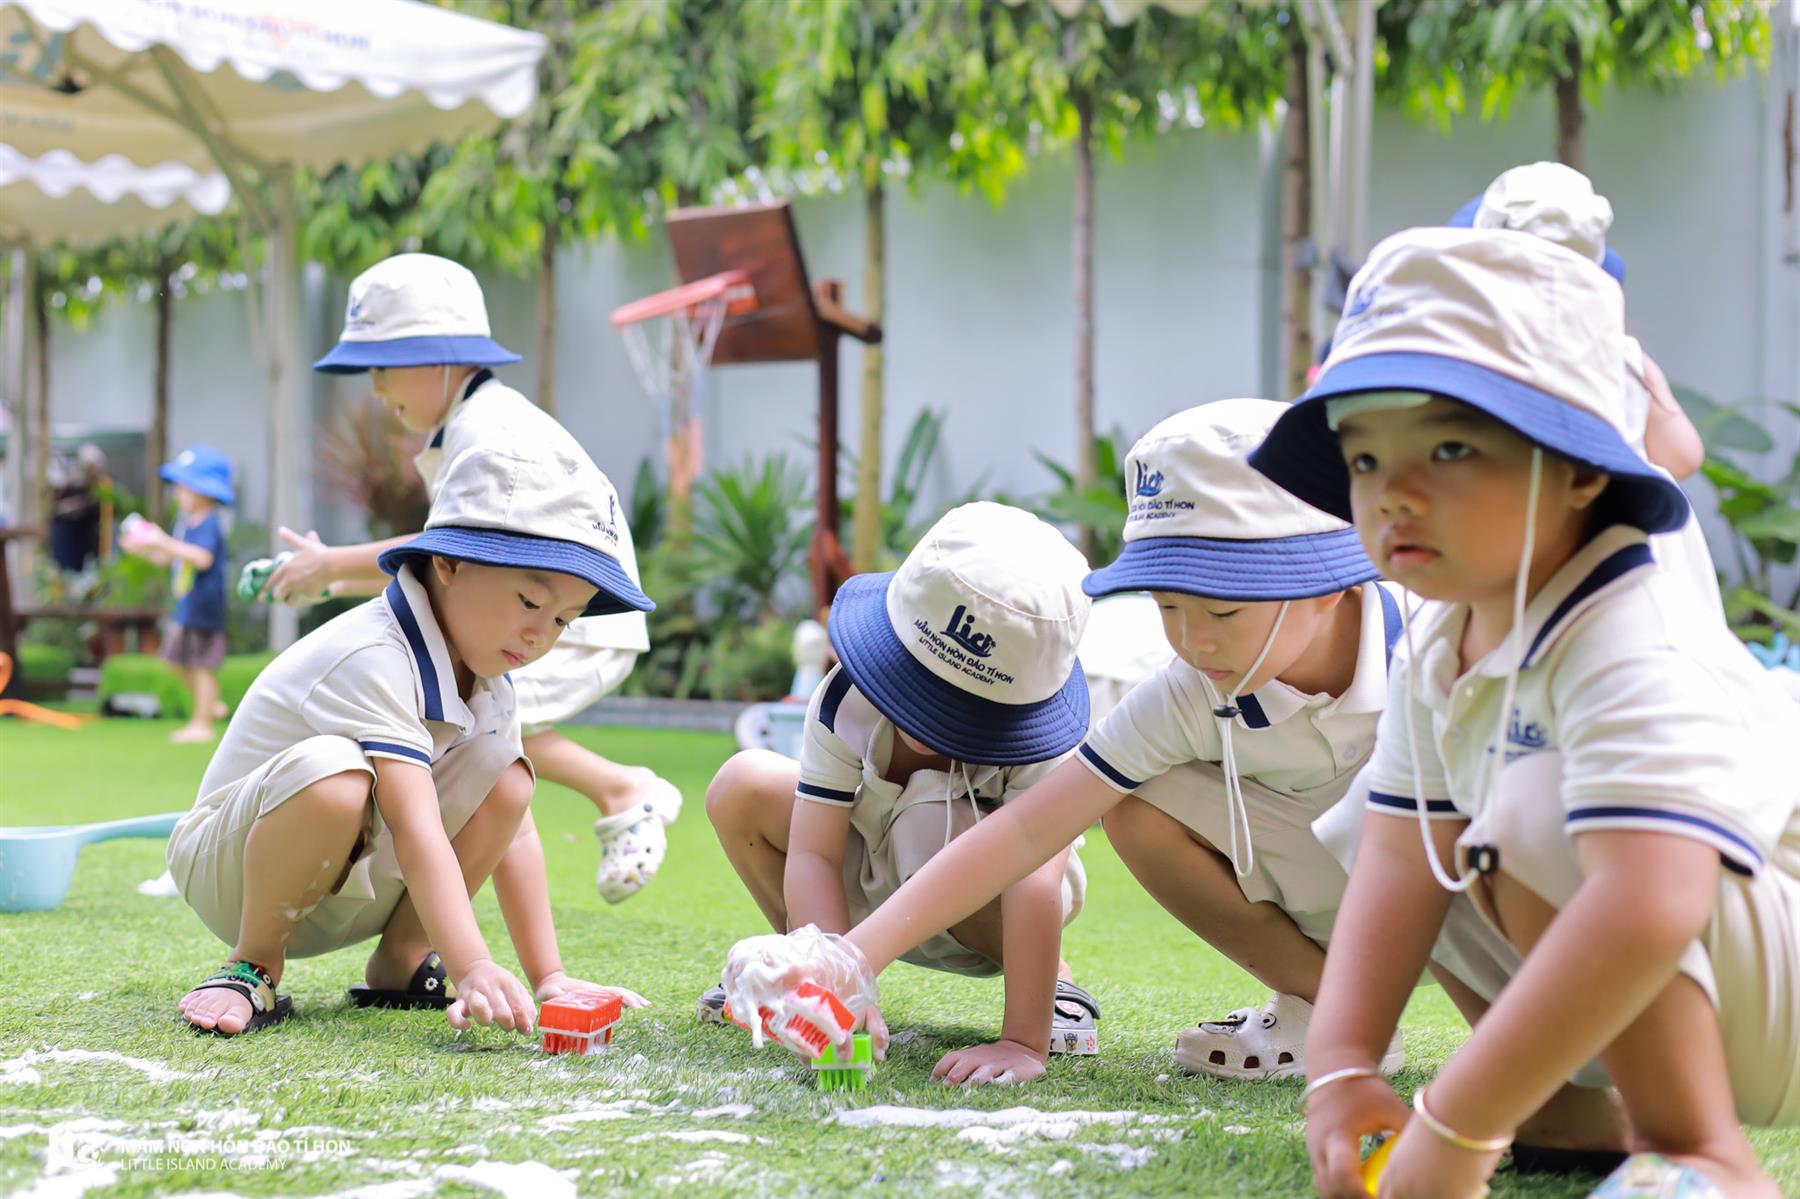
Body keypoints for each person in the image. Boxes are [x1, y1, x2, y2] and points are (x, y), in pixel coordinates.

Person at [1248, 226, 1800, 1199]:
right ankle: (1582, 1116)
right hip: (1697, 972)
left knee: (1529, 813)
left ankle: (1702, 1152)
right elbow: (1396, 858)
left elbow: (1652, 901)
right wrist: (1342, 1072)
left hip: (1769, 969)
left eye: (1451, 447)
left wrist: (1456, 1124)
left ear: (1582, 468)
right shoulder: (1445, 632)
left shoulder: (1631, 629)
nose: (1393, 494)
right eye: (1365, 458)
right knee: (1414, 826)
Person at [725, 401, 1454, 1086]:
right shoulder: (1190, 689)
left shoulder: (1445, 645)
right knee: (1129, 797)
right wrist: (846, 962)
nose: (1192, 641)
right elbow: (1029, 830)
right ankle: (1339, 1006)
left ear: (1325, 581)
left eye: (1223, 609)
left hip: (1456, 907)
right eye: (1166, 605)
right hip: (1340, 900)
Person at [167, 434, 655, 1037]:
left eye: (562, 619)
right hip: (234, 877)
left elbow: (516, 827)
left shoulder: (490, 675)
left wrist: (549, 976)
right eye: (530, 600)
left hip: (343, 882)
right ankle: (253, 964)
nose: (540, 636)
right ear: (448, 565)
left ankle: (402, 957)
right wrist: (472, 965)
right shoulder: (375, 653)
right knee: (336, 776)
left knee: (508, 775)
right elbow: (416, 825)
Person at [262, 253, 678, 901]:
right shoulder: (474, 423)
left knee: (479, 739)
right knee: (484, 744)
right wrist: (329, 578)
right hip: (551, 611)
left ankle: (621, 790)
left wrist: (330, 565)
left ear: (435, 358)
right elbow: (448, 572)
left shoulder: (487, 432)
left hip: (566, 618)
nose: (376, 389)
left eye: (382, 366)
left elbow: (460, 556)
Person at [705, 502, 1100, 1086]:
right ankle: (805, 969)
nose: (925, 715)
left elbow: (1034, 881)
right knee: (743, 783)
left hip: (992, 919)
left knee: (925, 821)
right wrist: (831, 983)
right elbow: (813, 852)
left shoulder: (1044, 750)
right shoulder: (846, 701)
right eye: (915, 684)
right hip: (880, 875)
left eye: (957, 707)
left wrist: (1023, 1040)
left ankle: (1053, 983)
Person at [1449, 160, 1719, 616]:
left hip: (1535, 545)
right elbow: (1684, 455)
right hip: (1643, 545)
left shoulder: (1478, 359)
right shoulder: (1626, 357)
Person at [120, 445, 232, 743]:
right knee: (173, 660)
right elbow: (169, 558)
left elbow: (202, 558)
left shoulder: (209, 523)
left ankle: (202, 724)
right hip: (186, 606)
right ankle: (210, 703)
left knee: (200, 665)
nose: (179, 494)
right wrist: (144, 549)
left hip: (204, 607)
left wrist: (162, 541)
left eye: (184, 488)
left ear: (203, 491)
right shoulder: (185, 524)